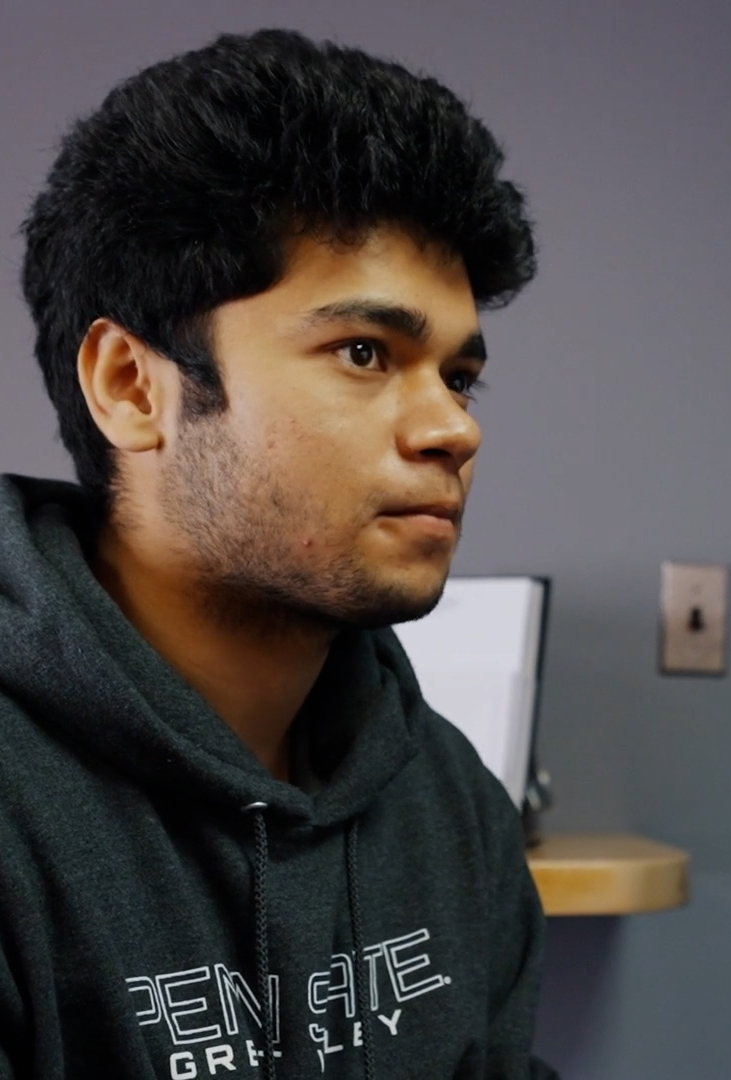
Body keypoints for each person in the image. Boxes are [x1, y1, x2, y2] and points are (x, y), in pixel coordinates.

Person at [0, 29, 558, 1079]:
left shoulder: (447, 803)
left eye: (459, 375)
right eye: (364, 353)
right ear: (132, 385)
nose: (453, 428)